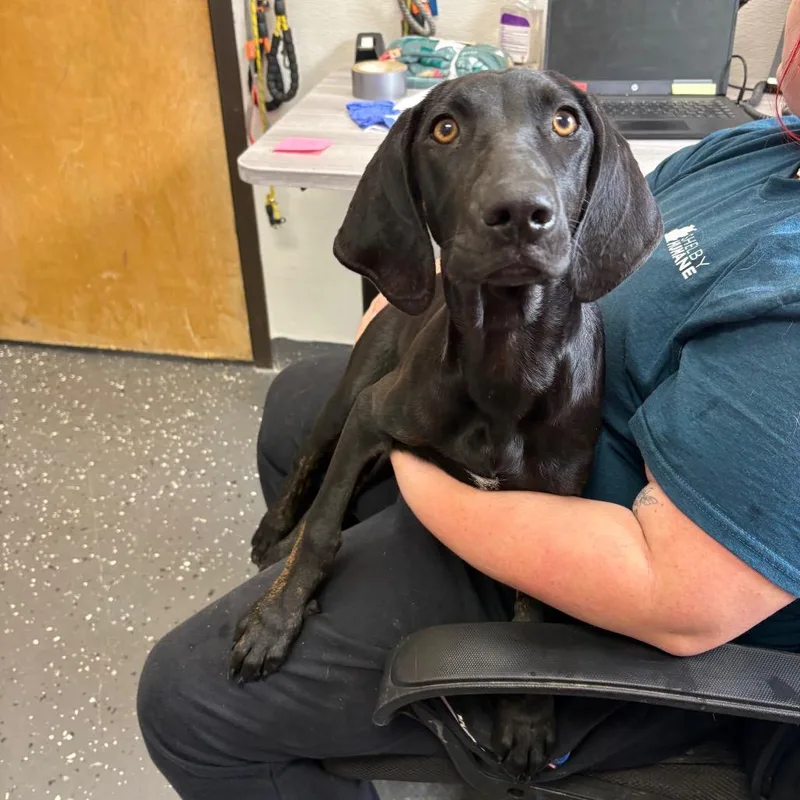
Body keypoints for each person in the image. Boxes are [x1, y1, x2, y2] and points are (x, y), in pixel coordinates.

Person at [137, 4, 800, 798]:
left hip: (605, 571)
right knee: (296, 406)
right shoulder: (756, 146)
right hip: (502, 386)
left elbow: (678, 598)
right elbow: (604, 226)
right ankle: (319, 572)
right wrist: (408, 291)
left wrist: (413, 450)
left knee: (189, 702)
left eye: (560, 121)